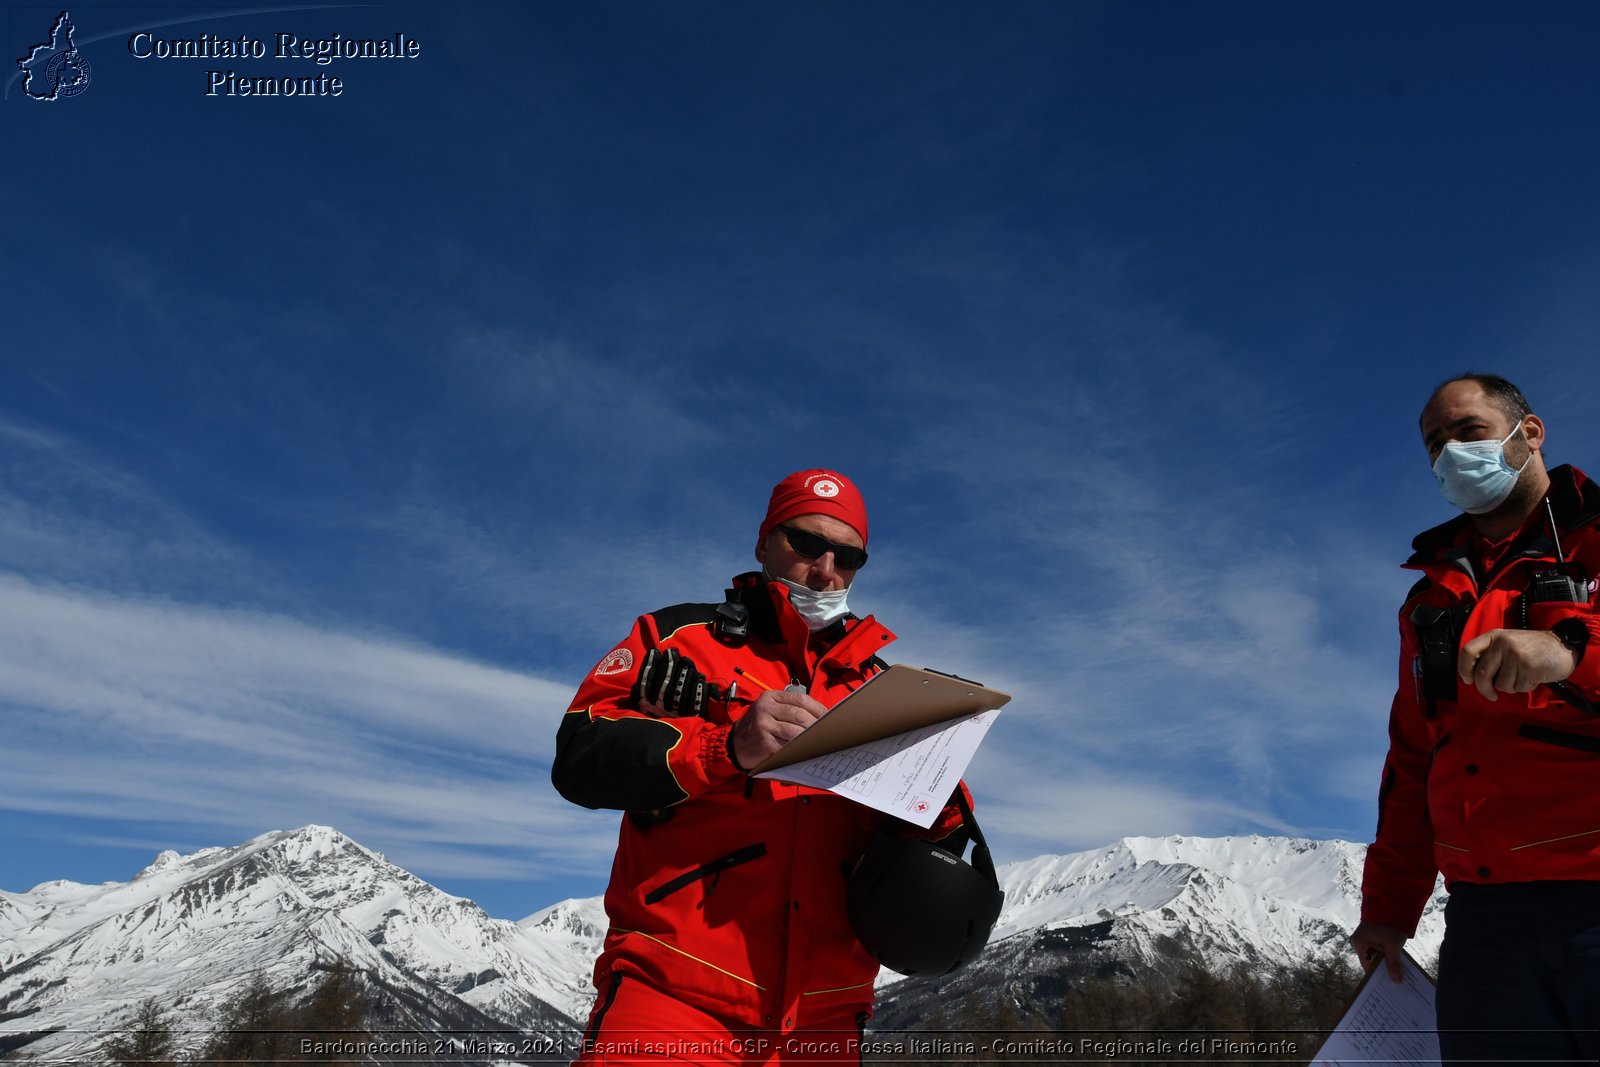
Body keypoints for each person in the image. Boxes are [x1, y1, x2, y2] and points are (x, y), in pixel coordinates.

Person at [552, 469, 973, 1066]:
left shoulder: (885, 690)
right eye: (806, 544)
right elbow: (579, 756)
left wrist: (938, 793)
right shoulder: (675, 638)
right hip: (675, 998)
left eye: (848, 555)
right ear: (763, 542)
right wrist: (725, 748)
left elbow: (931, 841)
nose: (826, 569)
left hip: (826, 1020)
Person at [1351, 374, 1600, 1063]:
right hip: (1485, 922)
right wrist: (1388, 908)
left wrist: (1572, 651)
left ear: (1530, 433)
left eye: (1469, 431)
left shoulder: (1594, 541)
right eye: (1435, 443)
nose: (1450, 453)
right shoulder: (1430, 598)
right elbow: (1412, 758)